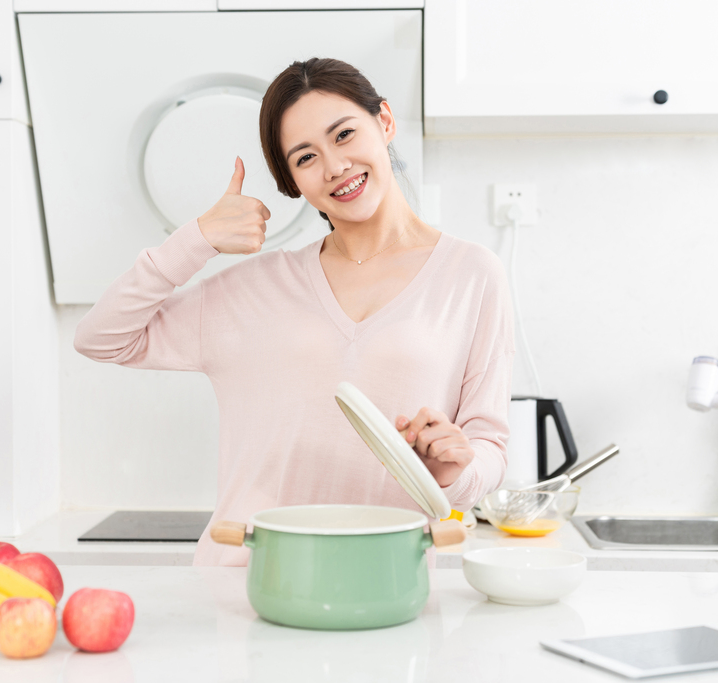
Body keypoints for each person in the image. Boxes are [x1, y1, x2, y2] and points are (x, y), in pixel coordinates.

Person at [74, 57, 516, 567]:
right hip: (247, 583)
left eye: (345, 134)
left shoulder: (472, 274)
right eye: (306, 157)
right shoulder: (253, 289)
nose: (334, 167)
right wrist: (195, 241)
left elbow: (488, 447)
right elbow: (101, 337)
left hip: (391, 580)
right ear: (292, 181)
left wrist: (452, 473)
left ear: (385, 122)